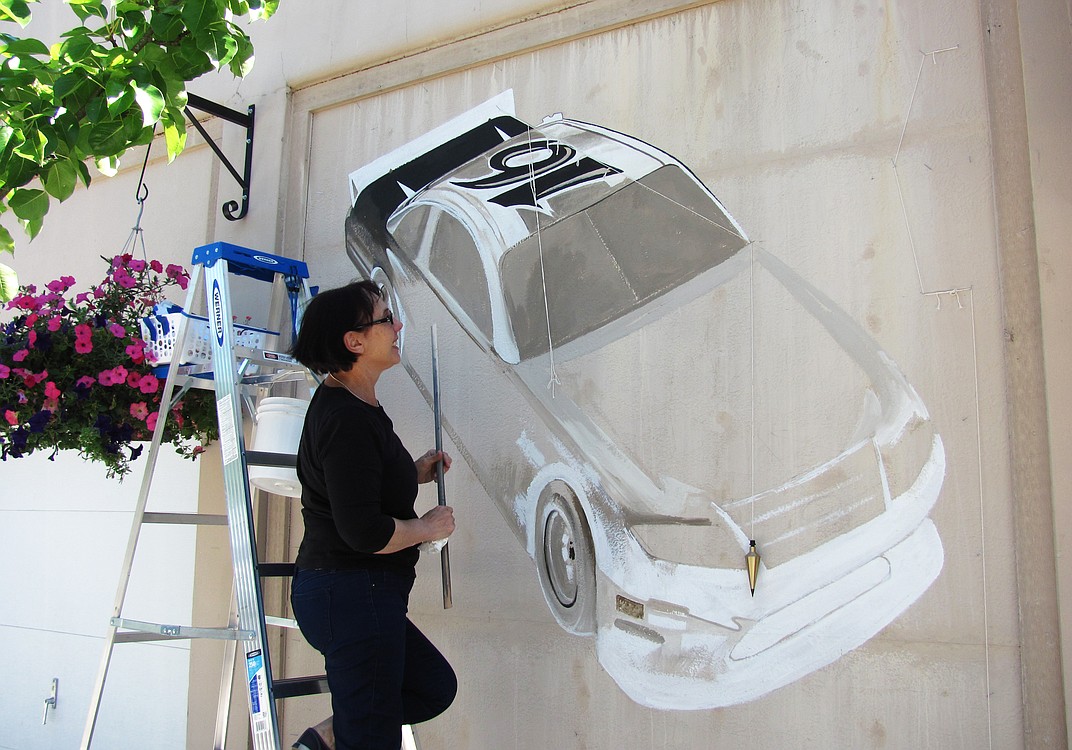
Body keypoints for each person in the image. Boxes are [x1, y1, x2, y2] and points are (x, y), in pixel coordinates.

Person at [288, 280, 458, 750]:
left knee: (431, 687)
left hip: (358, 593)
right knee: (373, 737)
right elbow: (364, 531)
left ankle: (323, 741)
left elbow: (359, 482)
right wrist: (426, 528)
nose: (397, 325)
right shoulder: (346, 418)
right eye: (386, 318)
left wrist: (412, 472)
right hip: (351, 592)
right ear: (355, 341)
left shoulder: (357, 404)